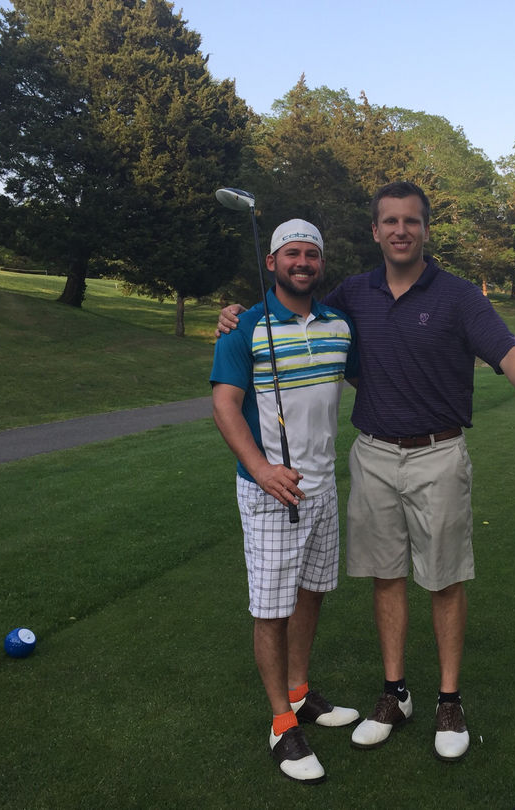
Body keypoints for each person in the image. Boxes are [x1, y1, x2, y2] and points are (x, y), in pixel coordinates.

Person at [218, 182, 515, 763]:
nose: (401, 230)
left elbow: (506, 349)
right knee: (385, 576)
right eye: (390, 221)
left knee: (445, 579)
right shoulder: (354, 294)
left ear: (425, 229)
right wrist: (236, 313)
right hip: (374, 455)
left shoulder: (457, 295)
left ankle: (449, 701)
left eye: (411, 221)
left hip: (439, 453)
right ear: (376, 231)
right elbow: (293, 303)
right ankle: (394, 694)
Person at [210, 218, 361, 784]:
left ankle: (299, 692)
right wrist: (261, 469)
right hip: (270, 490)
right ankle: (281, 724)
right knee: (271, 609)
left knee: (311, 593)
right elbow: (225, 405)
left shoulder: (339, 325)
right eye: (291, 253)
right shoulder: (243, 326)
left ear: (321, 263)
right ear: (271, 262)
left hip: (322, 486)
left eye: (311, 254)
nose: (302, 262)